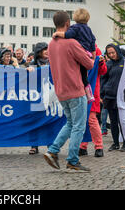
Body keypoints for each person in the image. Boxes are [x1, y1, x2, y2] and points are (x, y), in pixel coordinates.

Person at [43, 11, 94, 172]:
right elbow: (89, 64)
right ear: (67, 24)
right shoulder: (72, 43)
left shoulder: (51, 44)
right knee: (79, 126)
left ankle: (53, 151)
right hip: (75, 89)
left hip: (61, 91)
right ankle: (72, 159)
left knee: (70, 123)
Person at [53, 8, 96, 104]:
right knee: (84, 77)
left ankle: (86, 93)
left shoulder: (75, 28)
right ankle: (89, 94)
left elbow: (68, 34)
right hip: (87, 54)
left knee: (78, 74)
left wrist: (57, 33)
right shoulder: (89, 30)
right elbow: (93, 43)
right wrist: (92, 57)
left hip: (80, 52)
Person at [100, 43, 125, 151]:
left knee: (122, 121)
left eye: (113, 52)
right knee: (113, 121)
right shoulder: (108, 64)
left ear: (117, 50)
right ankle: (116, 143)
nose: (112, 55)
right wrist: (102, 94)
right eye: (109, 53)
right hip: (109, 96)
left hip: (122, 97)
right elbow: (103, 79)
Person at [79, 44, 106, 157]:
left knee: (91, 119)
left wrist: (100, 62)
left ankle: (99, 146)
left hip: (92, 89)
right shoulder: (77, 47)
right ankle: (83, 146)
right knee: (81, 119)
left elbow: (103, 71)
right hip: (79, 89)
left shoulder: (96, 49)